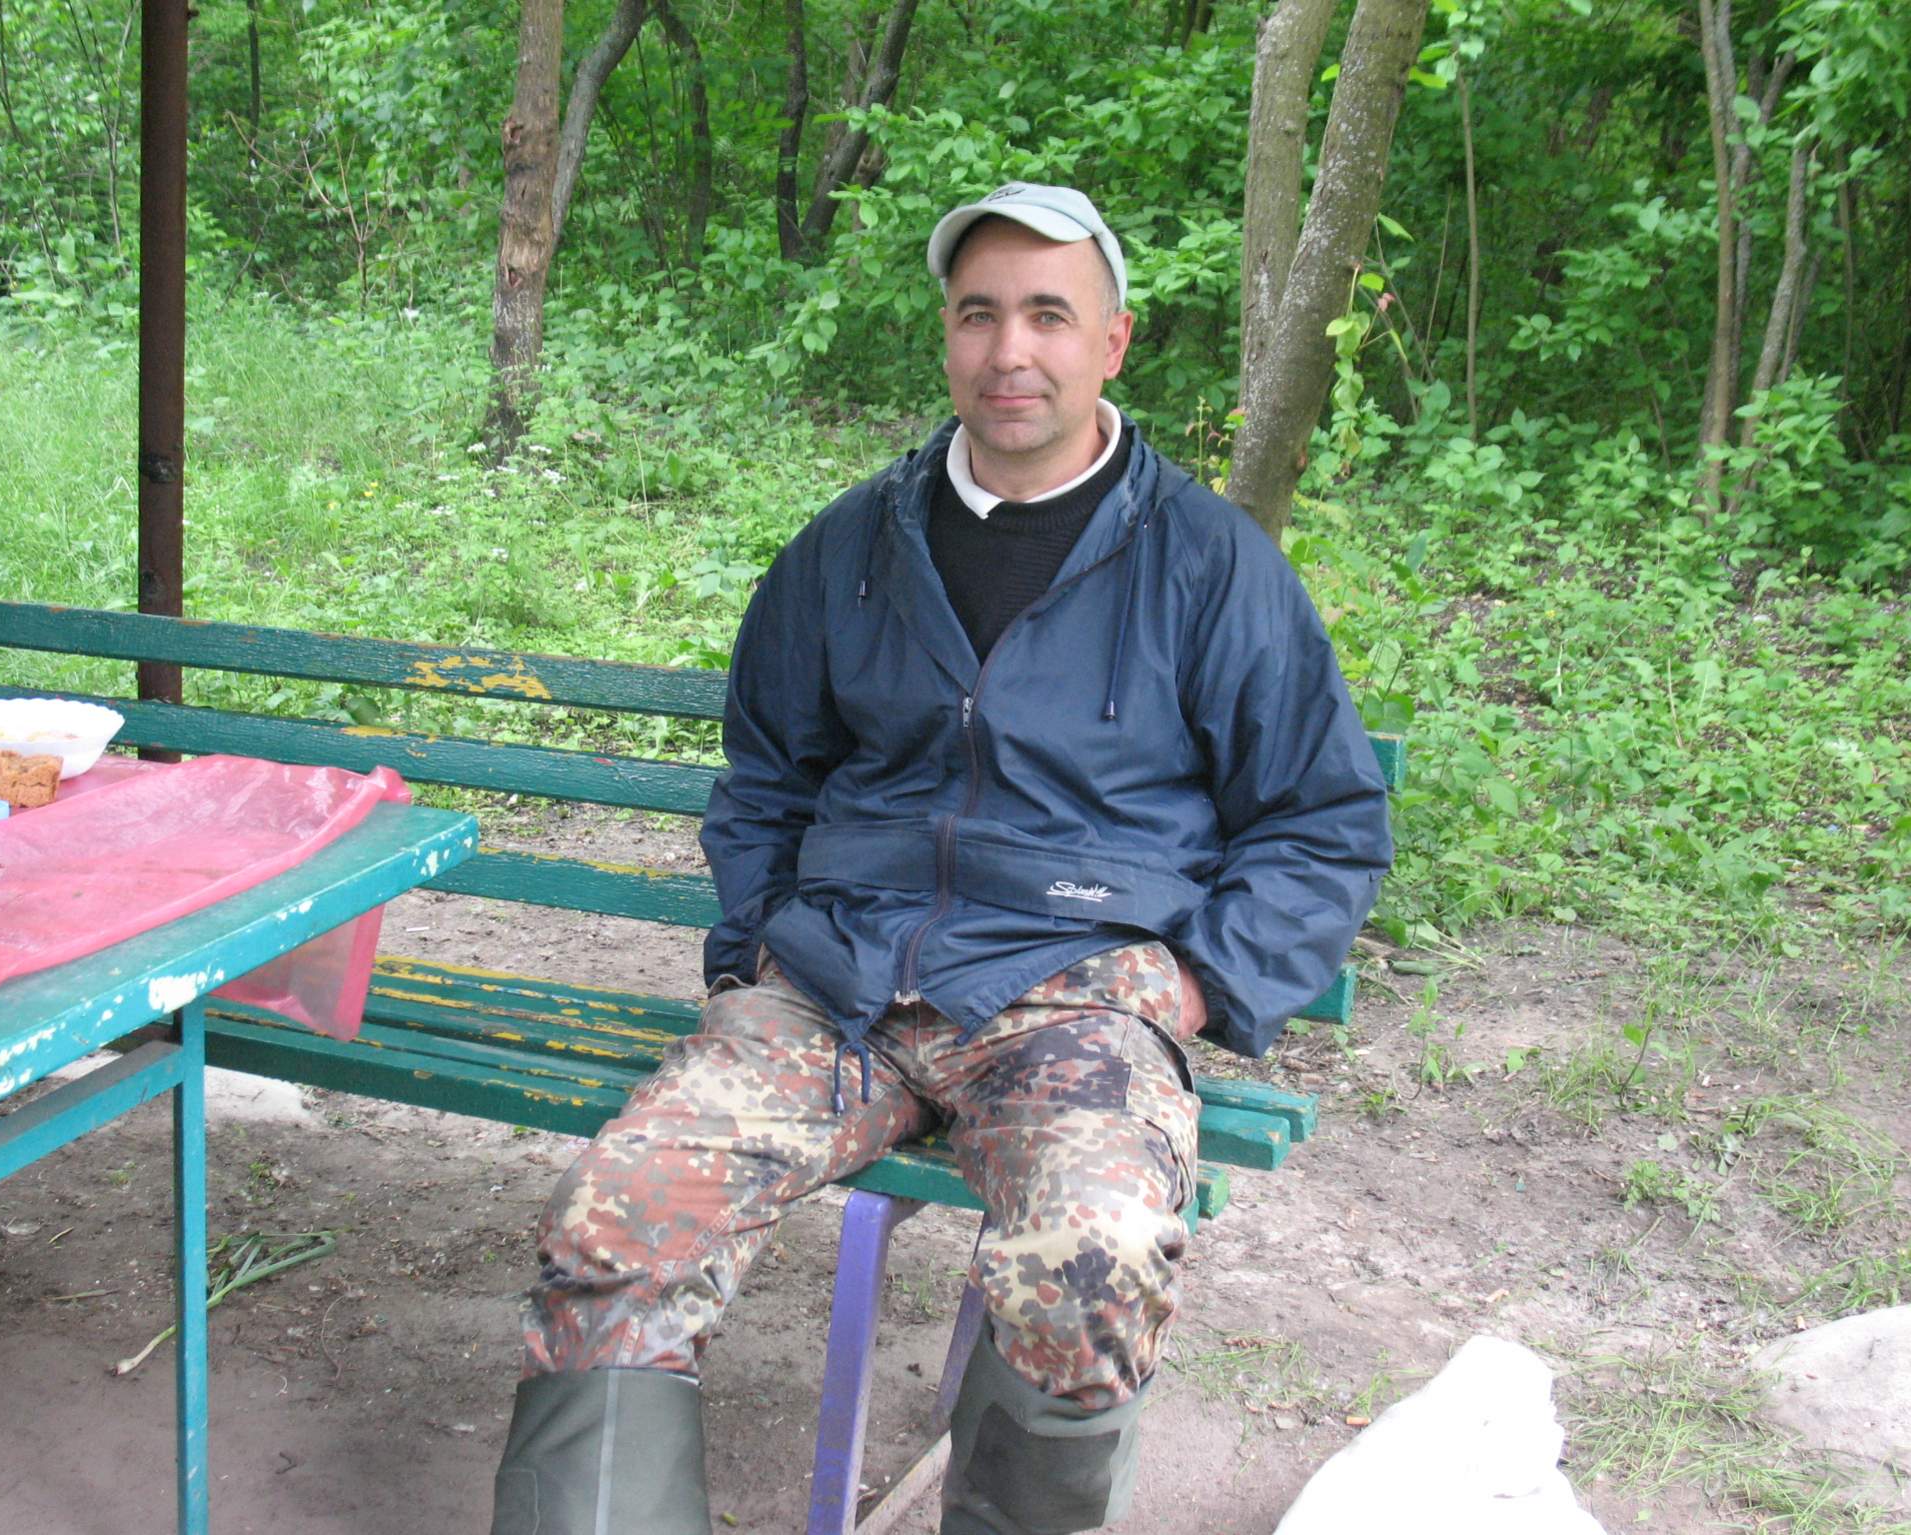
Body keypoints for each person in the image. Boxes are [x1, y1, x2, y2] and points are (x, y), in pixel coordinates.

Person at [489, 182, 1394, 1535]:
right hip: (835, 989)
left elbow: (1323, 819)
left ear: (1113, 342)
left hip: (1069, 997)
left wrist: (1198, 984)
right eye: (979, 314)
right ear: (948, 334)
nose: (1009, 350)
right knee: (618, 1220)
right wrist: (759, 942)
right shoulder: (849, 549)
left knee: (1090, 1259)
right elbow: (767, 778)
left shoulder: (1212, 566)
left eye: (1048, 315)